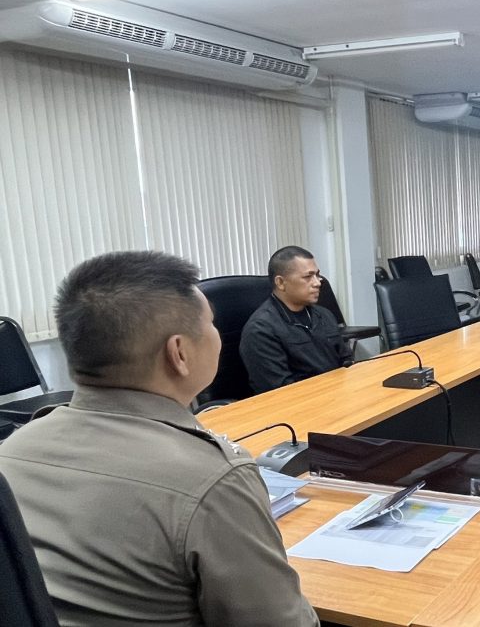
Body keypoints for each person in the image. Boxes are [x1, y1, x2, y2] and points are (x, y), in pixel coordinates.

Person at [0, 251, 318, 626]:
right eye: (211, 325)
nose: (218, 336)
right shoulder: (214, 480)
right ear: (179, 352)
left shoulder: (11, 453)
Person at [241, 245, 351, 394]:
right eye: (308, 277)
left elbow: (346, 363)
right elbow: (280, 389)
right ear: (280, 283)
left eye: (317, 275)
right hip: (299, 403)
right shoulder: (261, 330)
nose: (318, 282)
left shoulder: (324, 315)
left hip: (336, 394)